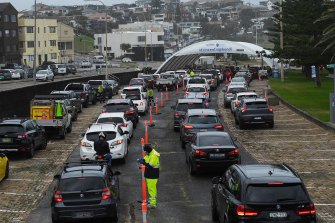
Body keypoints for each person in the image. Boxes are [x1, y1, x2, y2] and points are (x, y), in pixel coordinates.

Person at [138, 144, 160, 208]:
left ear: (148, 150)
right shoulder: (150, 154)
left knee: (152, 189)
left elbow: (150, 166)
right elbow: (146, 159)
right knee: (150, 189)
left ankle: (153, 204)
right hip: (150, 174)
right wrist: (142, 160)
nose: (144, 152)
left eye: (145, 151)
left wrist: (143, 162)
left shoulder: (154, 156)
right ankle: (151, 201)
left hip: (152, 175)